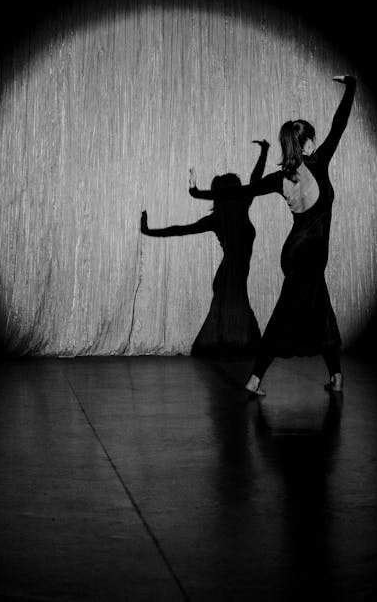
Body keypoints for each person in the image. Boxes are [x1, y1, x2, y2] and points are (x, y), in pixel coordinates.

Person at [189, 74, 357, 395]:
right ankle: (255, 378)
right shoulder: (319, 163)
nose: (316, 142)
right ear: (307, 143)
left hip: (296, 252)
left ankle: (336, 376)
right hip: (310, 254)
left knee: (321, 311)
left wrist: (198, 192)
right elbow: (340, 123)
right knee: (287, 313)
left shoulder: (280, 178)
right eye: (313, 139)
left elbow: (243, 191)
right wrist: (351, 86)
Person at [140, 141, 271, 357]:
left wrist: (265, 152)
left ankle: (235, 353)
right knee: (237, 314)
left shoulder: (224, 215)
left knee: (235, 314)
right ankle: (238, 353)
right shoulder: (235, 210)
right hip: (232, 274)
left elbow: (180, 230)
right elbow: (180, 229)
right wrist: (148, 230)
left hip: (232, 274)